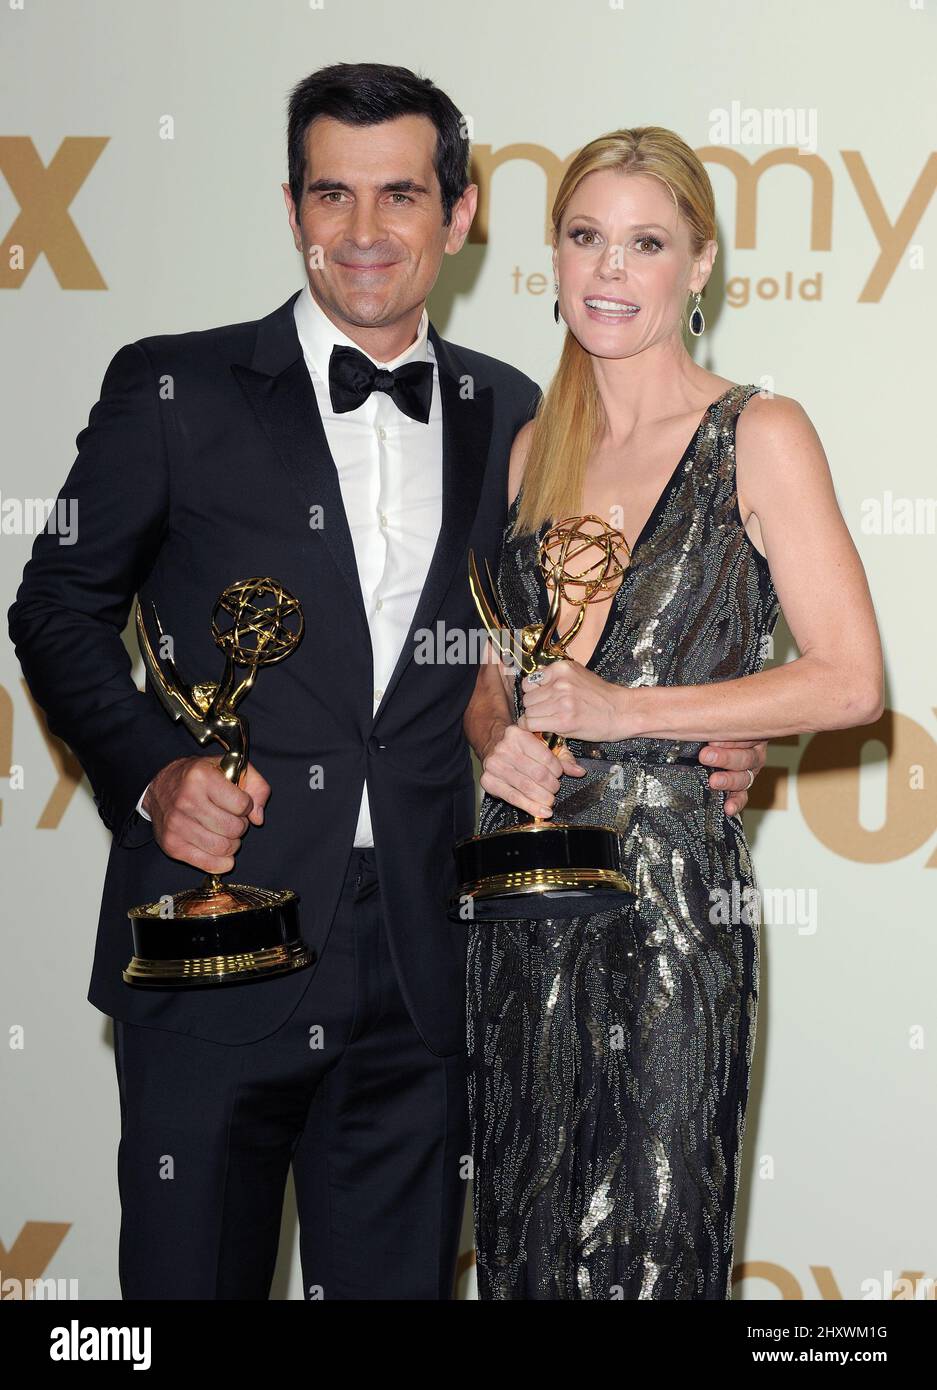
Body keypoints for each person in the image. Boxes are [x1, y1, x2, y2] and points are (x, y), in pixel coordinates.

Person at [8, 69, 765, 1301]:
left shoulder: (515, 416)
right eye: (333, 194)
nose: (364, 232)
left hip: (432, 967)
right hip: (219, 940)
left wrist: (711, 740)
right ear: (293, 207)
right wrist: (152, 772)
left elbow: (545, 655)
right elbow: (55, 606)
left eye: (401, 195)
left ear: (459, 217)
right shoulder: (172, 388)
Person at [462, 126, 884, 1301]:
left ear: (698, 265)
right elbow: (502, 677)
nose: (608, 269)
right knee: (524, 1235)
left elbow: (848, 679)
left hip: (670, 901)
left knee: (657, 1238)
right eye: (586, 237)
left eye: (644, 243)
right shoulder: (535, 448)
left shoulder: (758, 432)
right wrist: (496, 740)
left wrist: (626, 709)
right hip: (523, 897)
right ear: (552, 255)